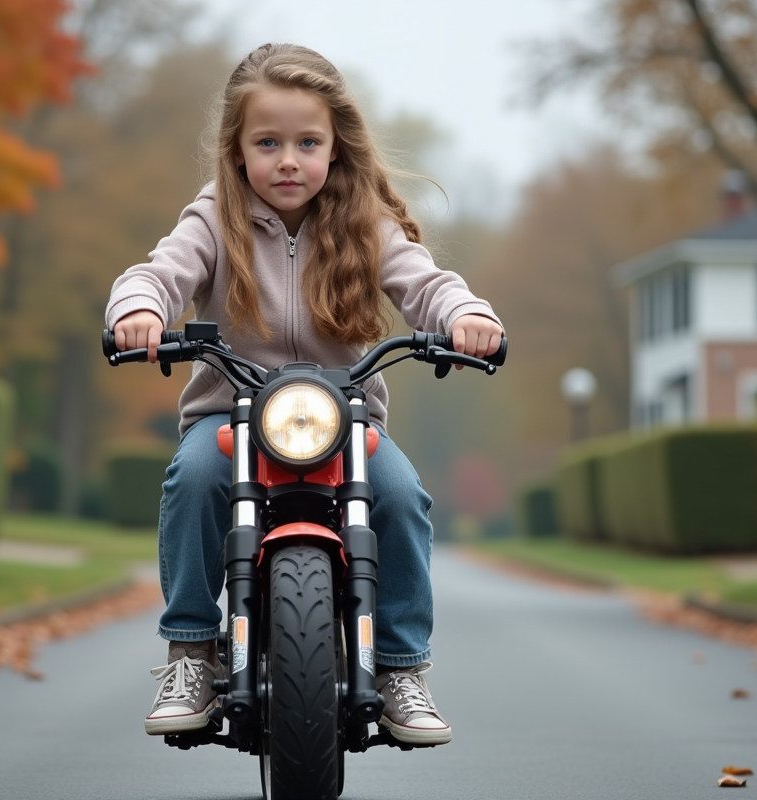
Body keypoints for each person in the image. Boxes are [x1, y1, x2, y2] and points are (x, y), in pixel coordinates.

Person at [106, 43, 504, 747]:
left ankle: (400, 666)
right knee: (193, 479)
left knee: (403, 496)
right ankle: (192, 650)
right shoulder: (212, 218)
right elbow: (159, 272)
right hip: (230, 419)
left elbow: (426, 281)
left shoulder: (364, 222)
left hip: (346, 424)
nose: (287, 160)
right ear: (236, 153)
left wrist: (465, 318)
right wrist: (137, 309)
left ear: (335, 148)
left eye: (306, 142)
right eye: (268, 143)